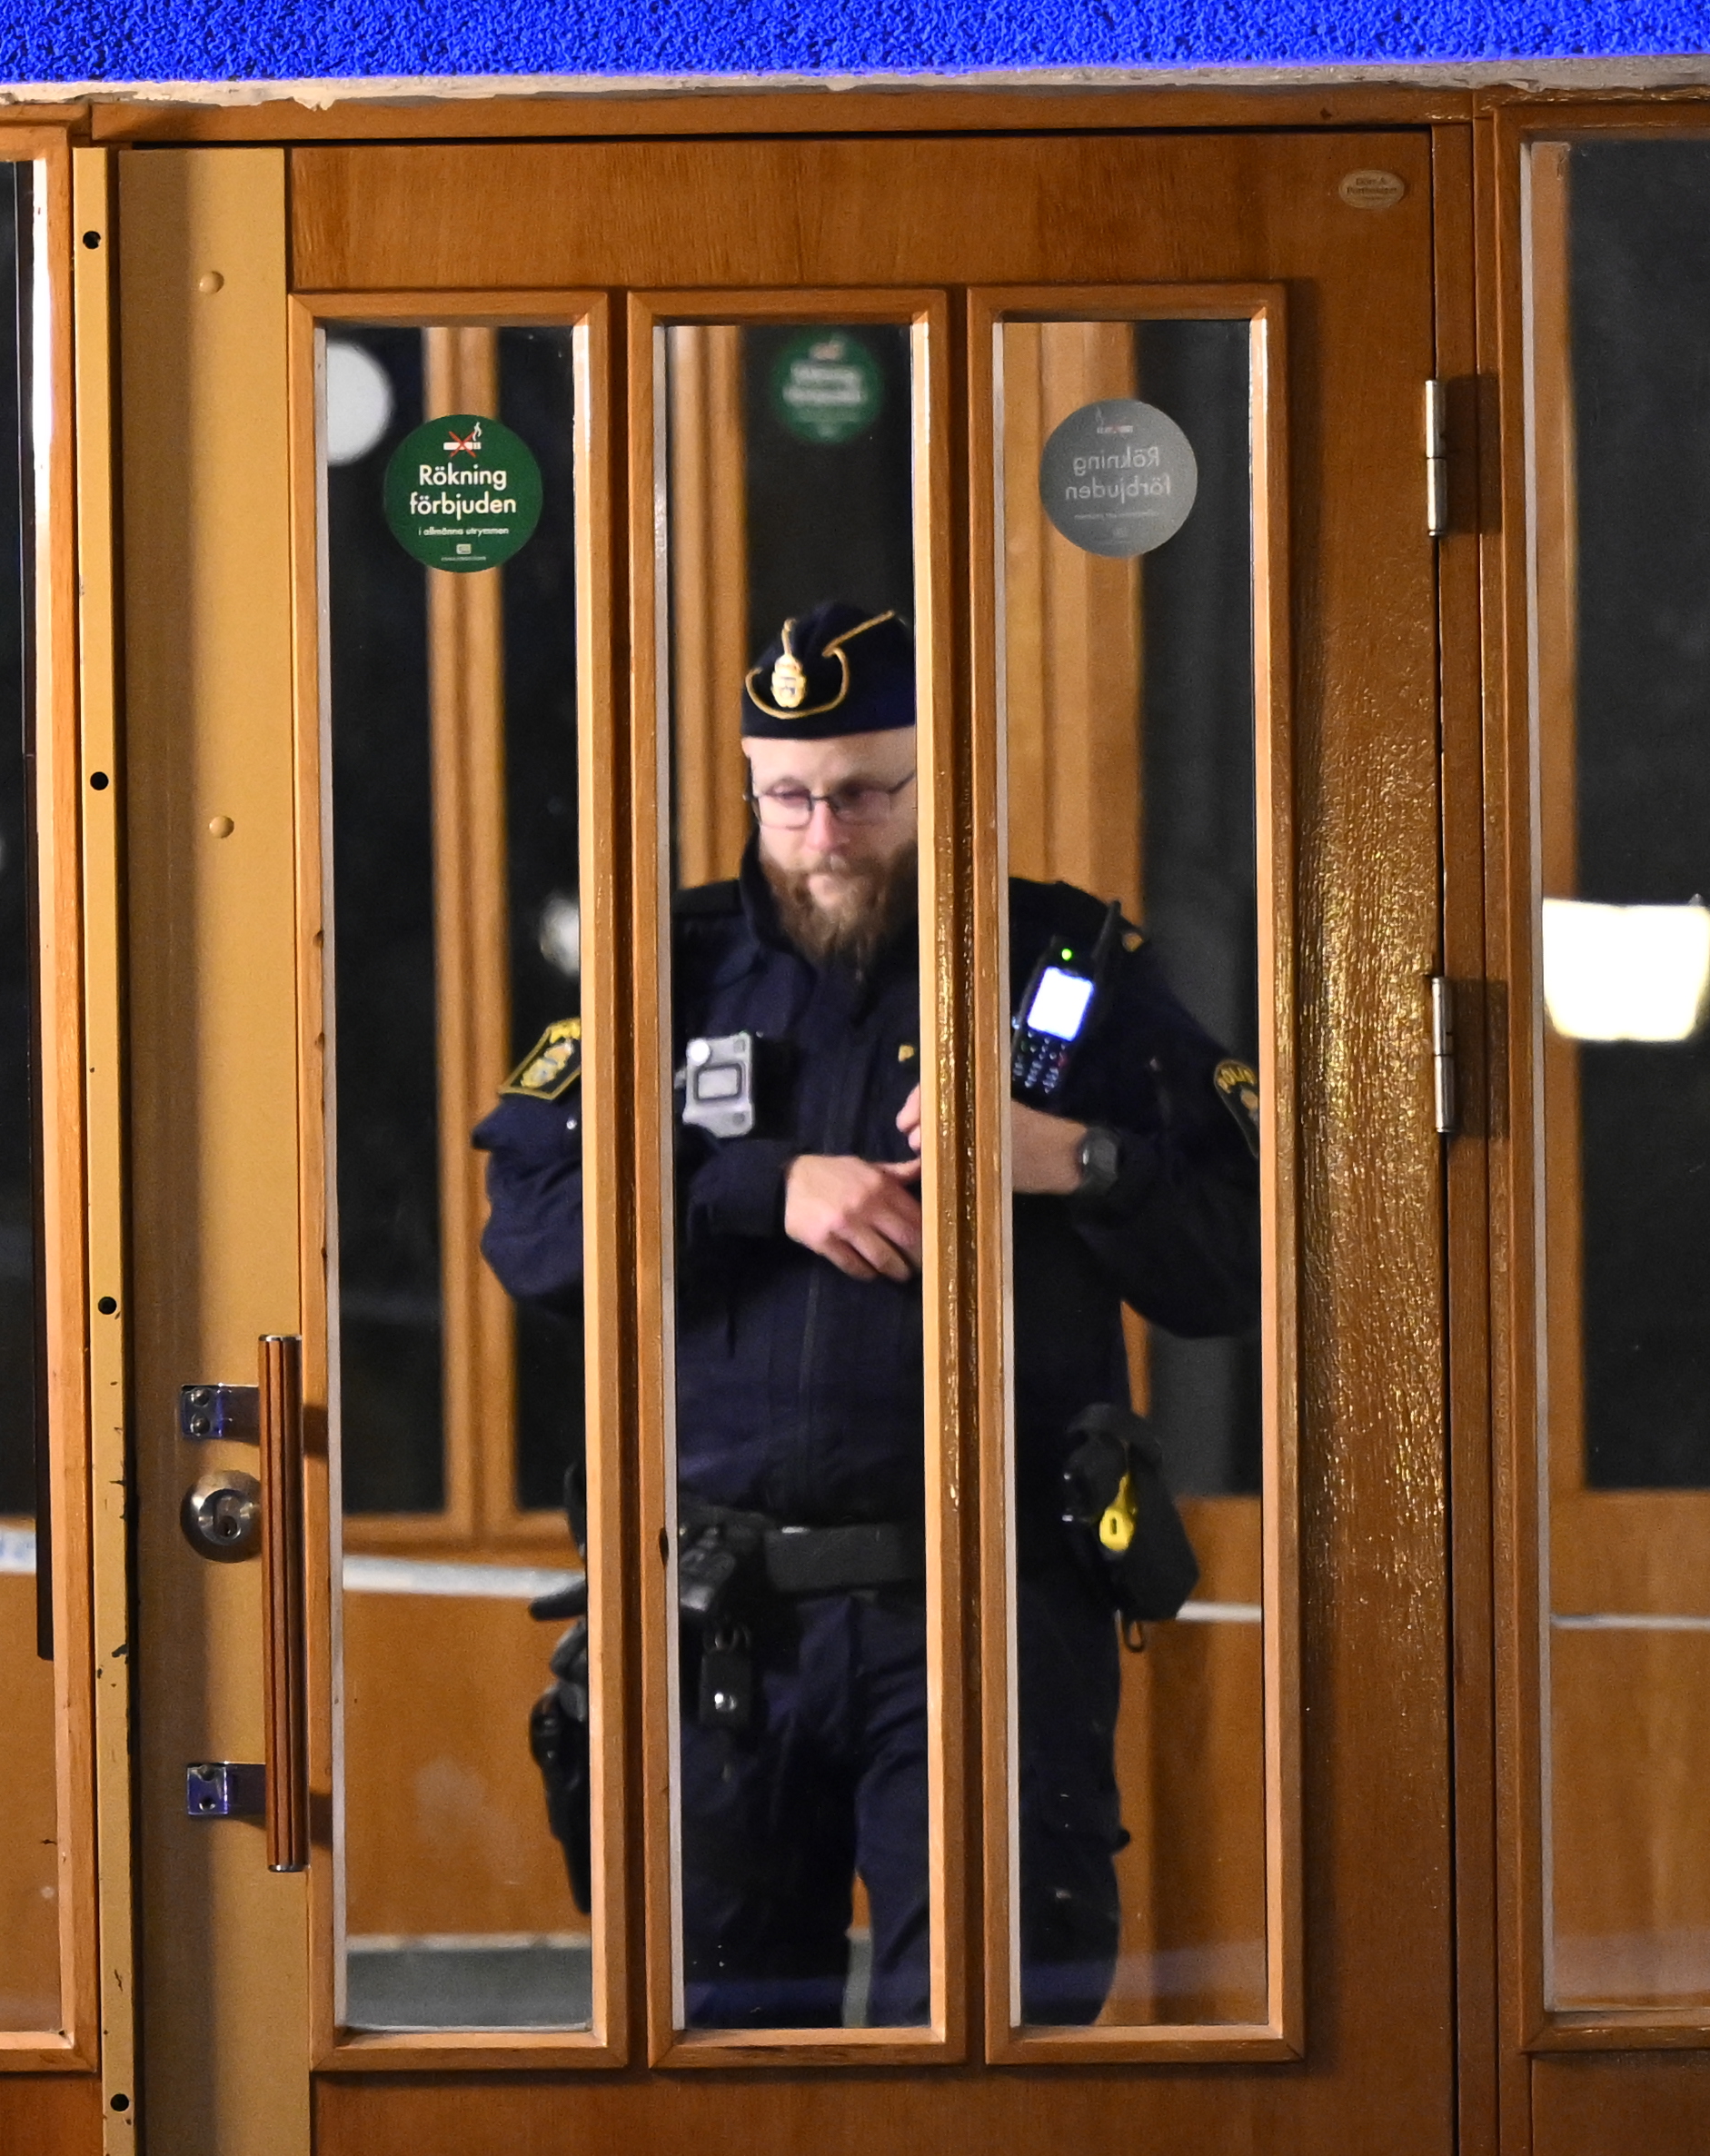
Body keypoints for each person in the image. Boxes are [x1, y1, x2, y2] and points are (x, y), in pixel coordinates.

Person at [476, 601, 1258, 2030]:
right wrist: (758, 1189)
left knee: (986, 2054)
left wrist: (1073, 1158)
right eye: (788, 799)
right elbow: (529, 1235)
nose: (824, 833)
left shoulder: (1062, 972)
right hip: (721, 1625)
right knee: (711, 2069)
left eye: (861, 795)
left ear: (936, 787)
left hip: (980, 1612)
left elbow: (1237, 1261)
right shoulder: (671, 970)